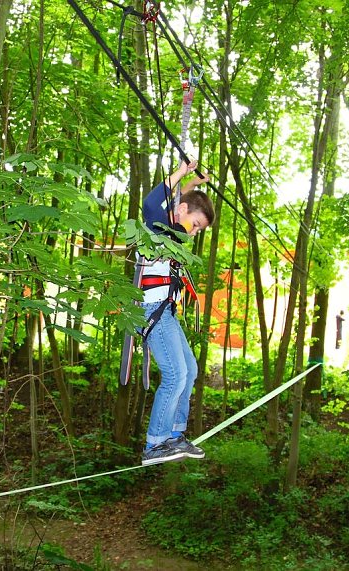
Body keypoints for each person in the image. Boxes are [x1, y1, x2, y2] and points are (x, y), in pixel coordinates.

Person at [138, 159, 215, 466]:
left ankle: (174, 434)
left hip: (165, 312)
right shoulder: (157, 229)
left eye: (200, 229)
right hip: (152, 309)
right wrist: (182, 172)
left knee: (190, 370)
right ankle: (155, 443)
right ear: (182, 211)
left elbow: (179, 204)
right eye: (195, 224)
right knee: (175, 374)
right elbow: (151, 204)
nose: (194, 232)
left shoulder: (172, 231)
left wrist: (193, 185)